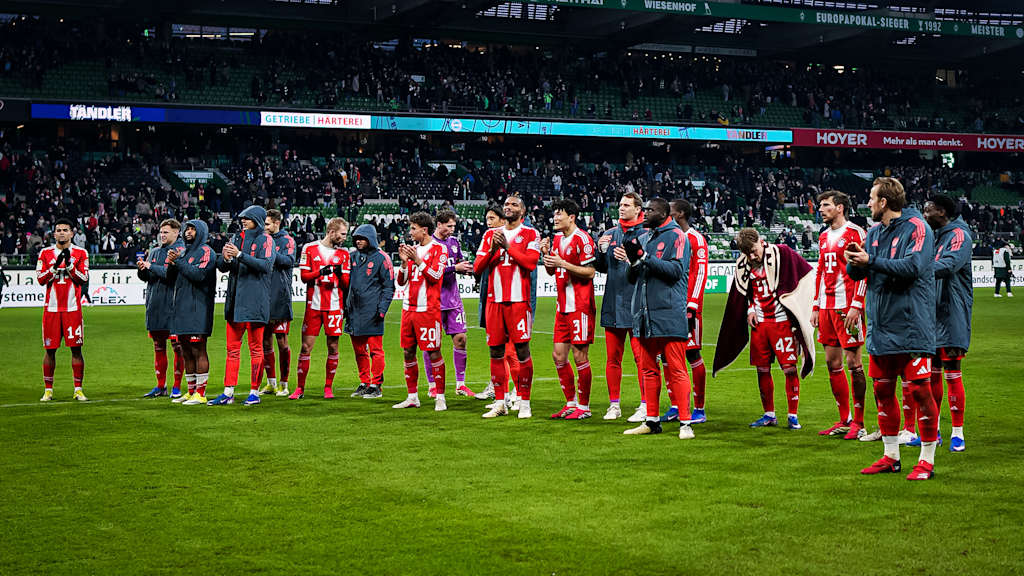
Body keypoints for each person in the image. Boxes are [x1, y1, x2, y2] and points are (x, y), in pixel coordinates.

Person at [846, 177, 938, 480]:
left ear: (884, 202)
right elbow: (859, 272)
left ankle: (926, 460)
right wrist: (855, 261)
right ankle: (890, 456)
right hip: (882, 327)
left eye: (871, 198)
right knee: (882, 389)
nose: (868, 203)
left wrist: (870, 260)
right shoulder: (873, 232)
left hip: (912, 327)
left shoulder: (917, 227)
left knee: (920, 392)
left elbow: (914, 267)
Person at [714, 228, 816, 430]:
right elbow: (746, 293)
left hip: (781, 323)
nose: (752, 257)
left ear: (761, 241)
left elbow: (807, 276)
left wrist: (797, 313)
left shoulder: (783, 253)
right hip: (760, 324)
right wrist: (750, 309)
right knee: (762, 369)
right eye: (747, 254)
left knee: (789, 369)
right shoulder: (743, 264)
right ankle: (769, 414)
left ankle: (792, 415)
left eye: (753, 251)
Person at [620, 198, 695, 439]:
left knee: (677, 369)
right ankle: (651, 421)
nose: (646, 213)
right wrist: (633, 260)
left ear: (663, 214)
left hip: (669, 312)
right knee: (648, 370)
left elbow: (675, 271)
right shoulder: (644, 237)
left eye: (651, 210)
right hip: (643, 313)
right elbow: (633, 278)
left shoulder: (677, 237)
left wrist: (645, 258)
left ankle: (685, 423)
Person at [474, 195, 540, 419]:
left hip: (519, 301)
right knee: (496, 351)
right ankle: (500, 402)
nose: (508, 207)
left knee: (522, 351)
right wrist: (493, 249)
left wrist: (508, 247)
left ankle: (524, 401)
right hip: (494, 302)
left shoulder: (531, 234)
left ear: (522, 211)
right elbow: (477, 268)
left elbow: (530, 263)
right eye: (506, 205)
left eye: (513, 204)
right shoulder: (490, 235)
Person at [810, 190, 869, 439]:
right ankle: (844, 419)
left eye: (826, 205)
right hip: (827, 307)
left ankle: (860, 421)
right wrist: (815, 304)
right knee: (832, 363)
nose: (820, 209)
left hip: (848, 307)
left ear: (840, 207)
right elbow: (821, 271)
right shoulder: (823, 236)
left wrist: (857, 303)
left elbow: (864, 269)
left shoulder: (856, 233)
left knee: (853, 363)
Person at [209, 205, 276, 406]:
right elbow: (222, 267)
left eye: (247, 218)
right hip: (235, 302)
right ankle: (228, 392)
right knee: (232, 350)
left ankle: (254, 392)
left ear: (256, 218)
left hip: (255, 303)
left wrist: (239, 255)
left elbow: (265, 266)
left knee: (256, 349)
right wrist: (226, 258)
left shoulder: (266, 240)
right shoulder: (237, 238)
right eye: (242, 218)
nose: (243, 221)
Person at [922, 194, 972, 453]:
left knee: (953, 372)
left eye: (927, 209)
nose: (924, 214)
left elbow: (950, 265)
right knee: (932, 373)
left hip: (952, 312)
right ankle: (934, 431)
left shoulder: (960, 235)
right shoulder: (937, 235)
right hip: (931, 313)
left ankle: (958, 433)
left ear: (941, 211)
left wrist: (917, 267)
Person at [542, 199, 597, 420]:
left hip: (580, 306)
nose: (555, 218)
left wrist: (563, 263)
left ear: (571, 217)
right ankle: (570, 403)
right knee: (558, 356)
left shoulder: (583, 239)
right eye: (554, 215)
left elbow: (591, 272)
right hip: (562, 305)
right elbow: (550, 271)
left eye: (559, 214)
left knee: (579, 355)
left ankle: (584, 407)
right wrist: (546, 255)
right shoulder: (556, 239)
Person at [593, 192, 646, 421]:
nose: (621, 208)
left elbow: (649, 267)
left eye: (626, 205)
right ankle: (614, 405)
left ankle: (646, 405)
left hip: (636, 304)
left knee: (641, 358)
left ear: (637, 209)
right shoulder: (609, 234)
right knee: (612, 358)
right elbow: (602, 268)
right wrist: (601, 252)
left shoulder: (646, 235)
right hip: (613, 302)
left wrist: (630, 259)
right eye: (620, 205)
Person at [393, 212, 449, 411]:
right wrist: (402, 262)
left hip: (428, 310)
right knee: (408, 351)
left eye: (413, 228)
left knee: (433, 352)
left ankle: (440, 397)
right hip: (408, 309)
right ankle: (412, 396)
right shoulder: (412, 250)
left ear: (424, 230)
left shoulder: (439, 249)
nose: (410, 232)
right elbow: (401, 282)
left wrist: (417, 260)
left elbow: (435, 276)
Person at [421, 210, 476, 398]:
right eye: (449, 226)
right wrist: (455, 268)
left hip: (453, 300)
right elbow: (430, 271)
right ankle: (432, 385)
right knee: (432, 344)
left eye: (454, 226)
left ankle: (461, 384)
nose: (452, 230)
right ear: (439, 224)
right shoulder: (428, 245)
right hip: (433, 301)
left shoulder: (454, 243)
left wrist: (466, 269)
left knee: (461, 339)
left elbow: (459, 262)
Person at [294, 217, 350, 400]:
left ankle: (328, 387)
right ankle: (299, 388)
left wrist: (340, 273)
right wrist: (321, 272)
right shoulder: (309, 248)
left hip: (335, 307)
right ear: (331, 232)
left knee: (333, 347)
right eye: (342, 234)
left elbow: (346, 284)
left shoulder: (344, 254)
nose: (344, 238)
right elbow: (304, 277)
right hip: (314, 306)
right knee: (305, 347)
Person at [36, 218, 90, 402]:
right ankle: (48, 390)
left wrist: (68, 266)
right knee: (50, 350)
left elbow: (83, 278)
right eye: (58, 230)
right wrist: (53, 268)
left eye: (65, 230)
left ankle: (78, 389)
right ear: (54, 233)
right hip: (51, 310)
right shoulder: (45, 253)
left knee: (76, 349)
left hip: (72, 309)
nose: (61, 233)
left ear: (71, 233)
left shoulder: (81, 252)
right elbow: (41, 279)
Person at [668, 198, 709, 424]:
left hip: (688, 307)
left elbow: (701, 273)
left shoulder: (695, 239)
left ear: (681, 214)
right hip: (670, 306)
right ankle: (675, 405)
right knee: (668, 355)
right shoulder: (671, 237)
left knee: (692, 353)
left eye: (671, 211)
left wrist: (692, 304)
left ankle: (699, 409)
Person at [168, 220, 217, 405]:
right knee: (185, 350)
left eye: (192, 229)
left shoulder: (206, 252)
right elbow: (169, 277)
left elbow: (198, 275)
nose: (188, 232)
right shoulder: (184, 252)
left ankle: (201, 393)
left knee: (198, 349)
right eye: (187, 229)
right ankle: (190, 391)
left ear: (201, 231)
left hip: (198, 308)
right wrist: (172, 264)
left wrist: (178, 262)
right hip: (181, 308)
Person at [138, 219, 186, 399]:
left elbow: (169, 274)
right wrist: (143, 269)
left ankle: (177, 387)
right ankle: (160, 386)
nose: (162, 235)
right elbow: (148, 277)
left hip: (173, 306)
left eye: (166, 232)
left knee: (177, 346)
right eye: (161, 232)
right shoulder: (155, 252)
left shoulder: (180, 252)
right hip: (155, 305)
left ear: (176, 233)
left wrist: (150, 266)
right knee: (158, 346)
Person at [345, 223, 395, 399]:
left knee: (375, 350)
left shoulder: (383, 258)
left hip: (372, 311)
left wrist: (382, 310)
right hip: (354, 312)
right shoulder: (352, 257)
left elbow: (389, 287)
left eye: (362, 238)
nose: (358, 241)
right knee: (360, 350)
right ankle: (364, 382)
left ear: (370, 239)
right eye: (356, 238)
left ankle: (376, 385)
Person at [258, 209, 296, 397]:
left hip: (280, 298)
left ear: (276, 223)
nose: (264, 227)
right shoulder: (263, 240)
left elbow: (288, 261)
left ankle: (284, 383)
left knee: (282, 342)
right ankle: (271, 382)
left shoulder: (287, 241)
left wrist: (270, 252)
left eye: (267, 224)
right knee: (265, 342)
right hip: (263, 298)